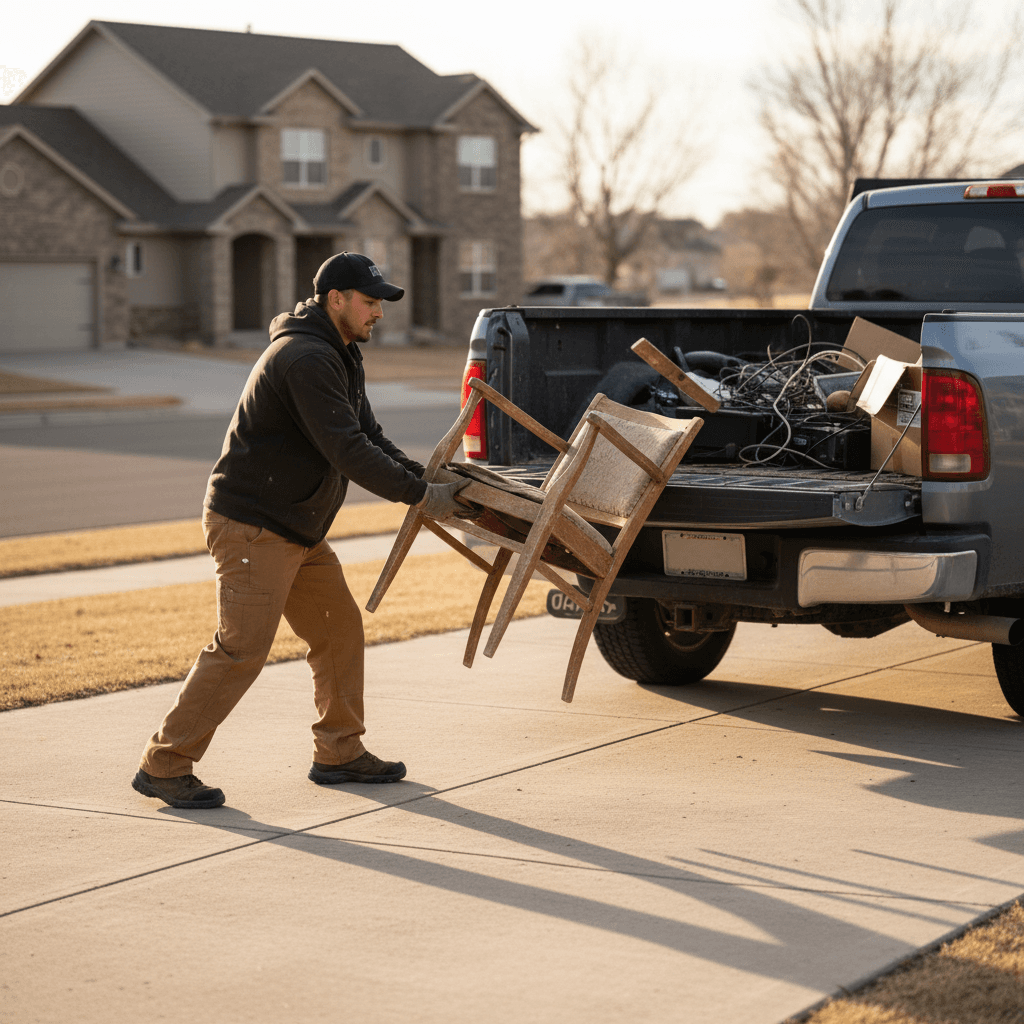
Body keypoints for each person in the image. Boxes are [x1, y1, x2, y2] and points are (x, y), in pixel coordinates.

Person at [132, 252, 470, 809]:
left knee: (338, 631)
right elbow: (348, 451)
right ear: (335, 299)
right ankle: (164, 763)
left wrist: (429, 479)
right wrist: (423, 498)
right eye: (370, 301)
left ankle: (339, 751)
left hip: (297, 526)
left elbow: (370, 435)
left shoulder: (340, 353)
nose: (378, 313)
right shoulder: (305, 358)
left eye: (381, 302)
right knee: (241, 649)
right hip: (253, 527)